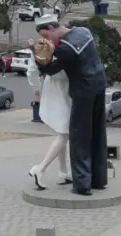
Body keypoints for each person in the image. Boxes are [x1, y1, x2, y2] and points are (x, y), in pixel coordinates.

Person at [33, 14, 108, 196]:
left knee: (79, 137)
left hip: (83, 91)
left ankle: (82, 185)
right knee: (98, 134)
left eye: (45, 35)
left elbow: (50, 70)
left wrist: (34, 53)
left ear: (52, 28)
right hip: (99, 83)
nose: (45, 39)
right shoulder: (83, 31)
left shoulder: (66, 48)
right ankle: (98, 179)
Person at [26, 36, 72, 190]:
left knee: (62, 132)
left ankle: (63, 172)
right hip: (63, 94)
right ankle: (41, 169)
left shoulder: (39, 55)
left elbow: (32, 70)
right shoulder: (60, 54)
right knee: (64, 134)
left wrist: (35, 86)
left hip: (51, 92)